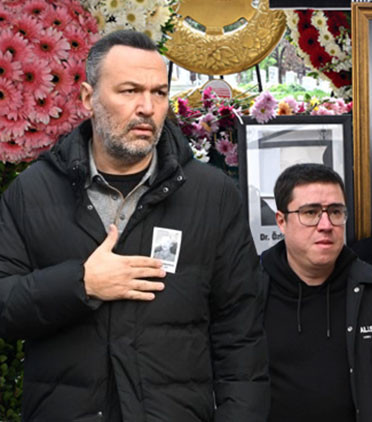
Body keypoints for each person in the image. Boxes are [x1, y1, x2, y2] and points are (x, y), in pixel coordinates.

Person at [0, 31, 269, 420]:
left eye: (159, 93)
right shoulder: (33, 191)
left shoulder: (213, 196)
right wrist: (81, 283)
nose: (147, 107)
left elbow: (241, 335)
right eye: (129, 91)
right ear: (88, 98)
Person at [258, 163, 372, 421]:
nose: (326, 224)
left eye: (335, 212)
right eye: (311, 212)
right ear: (282, 221)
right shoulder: (251, 289)